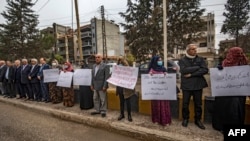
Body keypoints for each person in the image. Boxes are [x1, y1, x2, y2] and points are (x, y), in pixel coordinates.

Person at [213, 47, 248, 132]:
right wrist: (218, 69)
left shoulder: (244, 64)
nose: (239, 55)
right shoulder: (224, 63)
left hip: (237, 93)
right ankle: (221, 126)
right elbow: (217, 76)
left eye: (240, 53)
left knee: (235, 111)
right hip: (224, 93)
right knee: (224, 109)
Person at [179, 44, 208, 130]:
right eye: (193, 49)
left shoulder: (200, 59)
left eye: (196, 49)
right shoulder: (182, 60)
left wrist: (191, 74)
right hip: (186, 85)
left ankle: (198, 120)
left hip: (198, 85)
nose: (195, 51)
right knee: (185, 104)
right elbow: (183, 70)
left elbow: (205, 70)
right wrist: (197, 67)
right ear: (188, 50)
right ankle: (185, 119)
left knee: (198, 104)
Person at [147, 56, 171, 126]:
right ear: (155, 61)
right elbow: (148, 80)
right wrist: (150, 75)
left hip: (163, 91)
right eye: (158, 60)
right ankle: (156, 119)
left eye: (161, 60)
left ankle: (165, 120)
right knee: (156, 106)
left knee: (164, 105)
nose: (160, 62)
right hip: (156, 92)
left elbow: (168, 79)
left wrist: (166, 74)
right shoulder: (152, 70)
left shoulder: (163, 69)